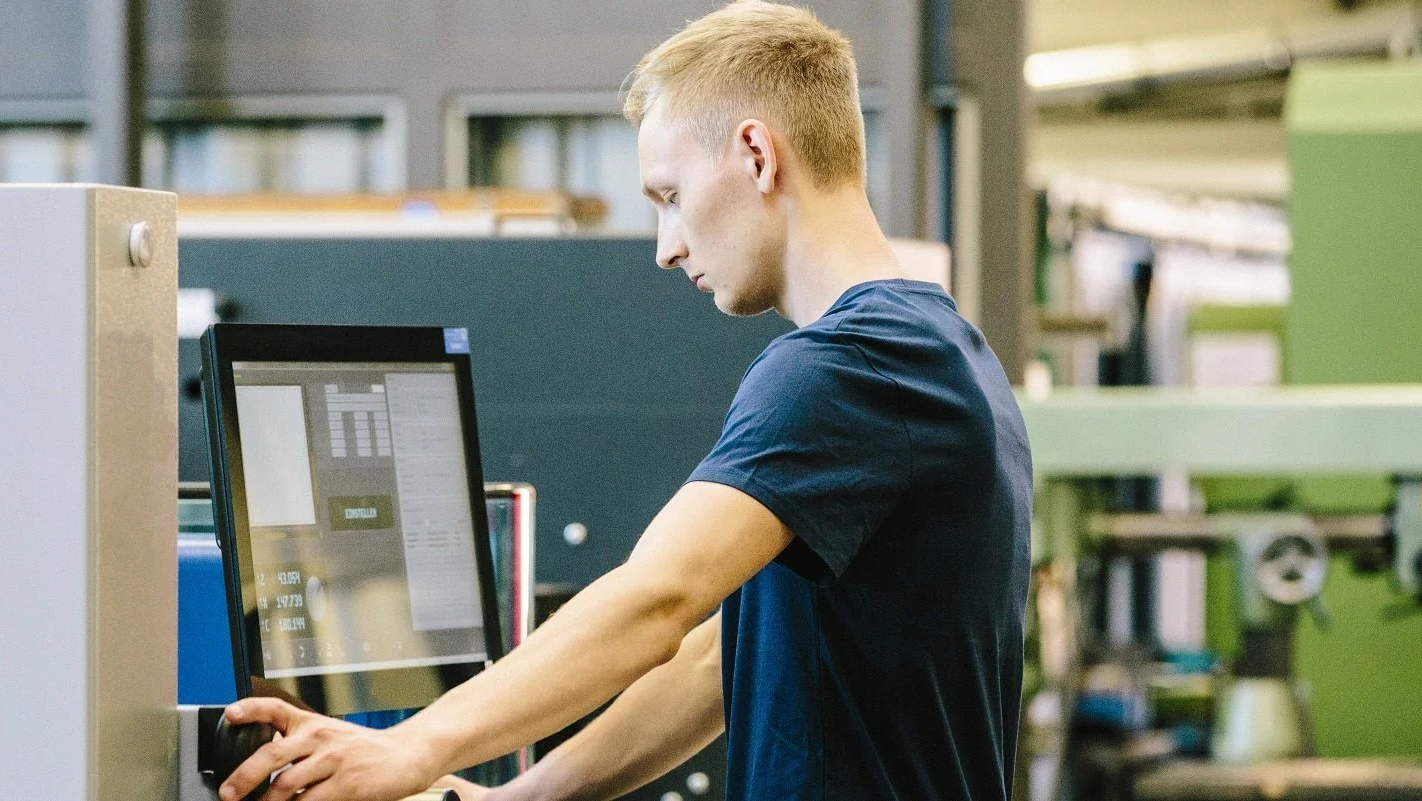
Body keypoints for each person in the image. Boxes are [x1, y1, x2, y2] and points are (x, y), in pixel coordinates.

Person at [218, 2, 1032, 799]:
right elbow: (722, 658)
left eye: (670, 196)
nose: (666, 247)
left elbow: (655, 598)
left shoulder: (849, 365)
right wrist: (520, 798)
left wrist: (409, 747)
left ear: (756, 154)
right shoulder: (941, 347)